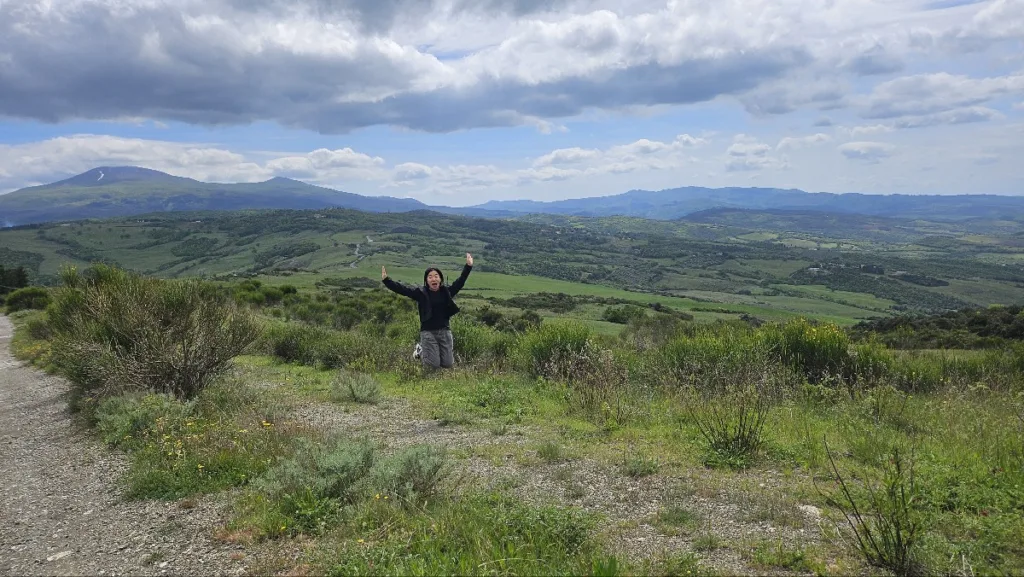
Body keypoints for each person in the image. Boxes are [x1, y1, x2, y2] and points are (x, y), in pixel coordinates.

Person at [381, 253, 473, 370]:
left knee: (447, 364)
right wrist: (387, 281)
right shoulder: (421, 294)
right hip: (428, 332)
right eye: (430, 277)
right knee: (433, 365)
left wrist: (468, 266)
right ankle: (421, 351)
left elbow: (460, 282)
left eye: (436, 276)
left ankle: (423, 350)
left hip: (444, 331)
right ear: (426, 281)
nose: (433, 278)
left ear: (440, 279)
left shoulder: (447, 292)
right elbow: (403, 290)